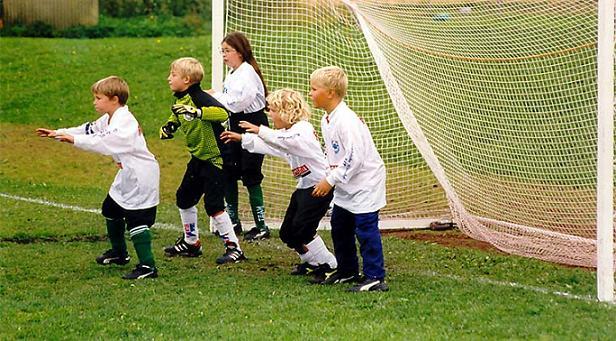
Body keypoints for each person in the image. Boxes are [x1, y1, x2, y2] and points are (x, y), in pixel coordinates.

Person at [36, 76, 160, 279]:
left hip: (141, 175)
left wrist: (74, 140)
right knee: (111, 208)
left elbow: (104, 142)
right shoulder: (109, 118)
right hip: (128, 173)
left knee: (137, 220)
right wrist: (59, 133)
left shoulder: (125, 121)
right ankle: (120, 254)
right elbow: (89, 130)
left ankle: (148, 267)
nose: (94, 102)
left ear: (114, 99)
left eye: (98, 97)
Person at [221, 89, 337, 279]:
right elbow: (273, 145)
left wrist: (260, 130)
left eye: (273, 110)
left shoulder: (302, 130)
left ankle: (330, 264)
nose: (270, 114)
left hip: (319, 187)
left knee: (303, 230)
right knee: (287, 233)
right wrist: (243, 138)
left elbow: (282, 140)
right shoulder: (286, 133)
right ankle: (311, 261)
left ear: (286, 111)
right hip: (304, 187)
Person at [309, 66, 389, 292]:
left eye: (314, 89)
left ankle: (375, 276)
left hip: (365, 182)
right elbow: (335, 154)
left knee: (365, 228)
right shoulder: (327, 119)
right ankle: (347, 270)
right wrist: (328, 175)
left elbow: (355, 158)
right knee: (340, 226)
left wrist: (331, 180)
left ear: (331, 93)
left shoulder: (347, 121)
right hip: (346, 183)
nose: (310, 93)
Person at [161, 57, 245, 264]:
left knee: (214, 205)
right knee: (184, 198)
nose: (168, 78)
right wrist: (169, 127)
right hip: (198, 157)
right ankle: (191, 242)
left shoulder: (199, 97)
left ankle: (234, 247)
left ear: (187, 79)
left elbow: (222, 112)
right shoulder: (180, 98)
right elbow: (177, 115)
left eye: (173, 75)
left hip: (216, 159)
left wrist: (197, 112)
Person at [208, 32, 270, 241]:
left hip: (252, 123)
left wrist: (214, 97)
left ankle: (261, 226)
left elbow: (239, 102)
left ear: (240, 52)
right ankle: (233, 222)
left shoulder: (248, 72)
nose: (224, 55)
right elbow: (229, 100)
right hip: (234, 122)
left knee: (250, 174)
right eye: (222, 51)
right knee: (228, 170)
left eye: (228, 51)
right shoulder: (233, 73)